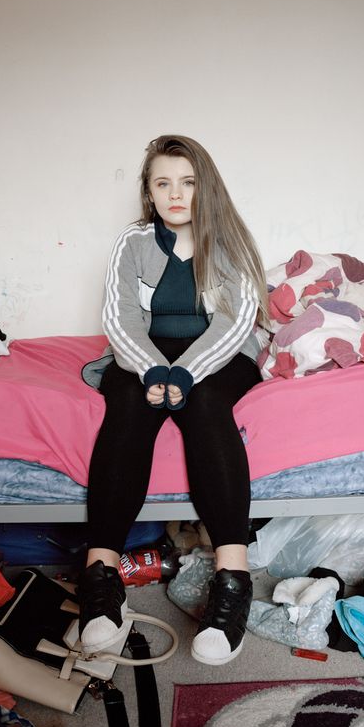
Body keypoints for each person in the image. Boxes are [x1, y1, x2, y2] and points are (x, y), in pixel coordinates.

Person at [78, 134, 268, 666]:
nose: (176, 194)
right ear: (149, 190)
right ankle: (100, 582)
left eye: (187, 182)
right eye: (163, 183)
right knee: (130, 406)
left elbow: (234, 325)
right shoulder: (133, 241)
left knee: (206, 407)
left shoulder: (227, 242)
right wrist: (151, 369)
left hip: (218, 354)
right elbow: (120, 320)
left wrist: (184, 374)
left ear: (204, 188)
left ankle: (233, 581)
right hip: (146, 353)